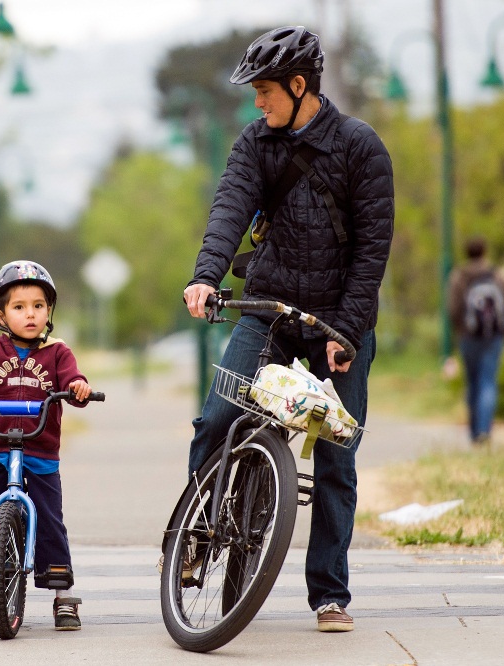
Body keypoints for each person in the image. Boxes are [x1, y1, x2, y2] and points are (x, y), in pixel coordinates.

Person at [182, 26, 394, 633]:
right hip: (269, 309)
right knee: (218, 419)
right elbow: (229, 209)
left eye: (266, 91)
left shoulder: (361, 148)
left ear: (300, 87)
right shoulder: (255, 144)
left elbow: (372, 253)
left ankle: (330, 593)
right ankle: (197, 534)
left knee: (335, 456)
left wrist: (347, 331)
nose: (257, 103)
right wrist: (205, 276)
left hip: (337, 320)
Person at [0, 260, 92, 632]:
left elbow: (74, 382)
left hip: (40, 453)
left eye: (38, 306)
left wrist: (78, 388)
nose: (30, 314)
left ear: (49, 311)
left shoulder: (58, 353)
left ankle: (63, 597)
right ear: (1, 313)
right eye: (19, 307)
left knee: (50, 525)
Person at [447, 235, 504, 446]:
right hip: (493, 337)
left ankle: (475, 432)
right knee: (488, 382)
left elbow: (453, 308)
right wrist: (502, 328)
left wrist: (460, 329)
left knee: (472, 382)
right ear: (484, 251)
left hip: (468, 336)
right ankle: (485, 430)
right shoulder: (497, 275)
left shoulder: (459, 276)